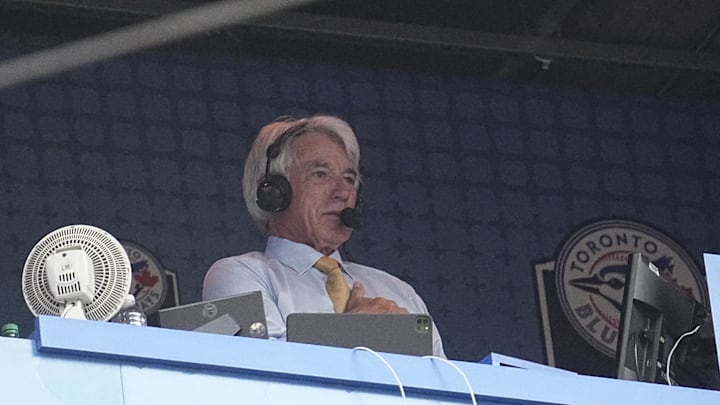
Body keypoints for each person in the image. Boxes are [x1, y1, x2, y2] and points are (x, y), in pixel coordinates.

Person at [202, 114, 445, 358]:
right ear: (273, 191)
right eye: (320, 174)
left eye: (349, 179)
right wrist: (355, 331)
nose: (343, 192)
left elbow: (448, 387)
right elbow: (261, 367)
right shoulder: (239, 274)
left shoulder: (400, 292)